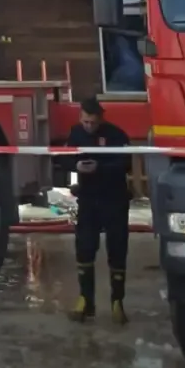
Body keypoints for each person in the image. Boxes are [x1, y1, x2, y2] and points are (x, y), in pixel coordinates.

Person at [68, 94, 133, 325]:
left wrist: (100, 168)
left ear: (100, 119)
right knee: (84, 248)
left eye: (93, 123)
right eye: (85, 122)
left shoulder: (116, 135)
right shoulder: (75, 133)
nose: (88, 127)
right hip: (88, 199)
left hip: (114, 199)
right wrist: (75, 166)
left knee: (117, 249)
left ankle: (117, 301)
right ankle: (86, 300)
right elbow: (63, 159)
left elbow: (126, 164)